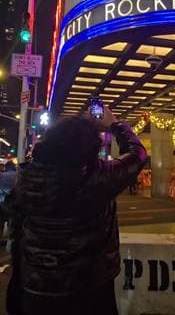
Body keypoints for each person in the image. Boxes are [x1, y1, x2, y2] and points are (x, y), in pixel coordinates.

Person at [10, 108, 147, 315]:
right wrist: (115, 124)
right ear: (91, 147)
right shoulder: (97, 177)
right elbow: (138, 154)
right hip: (89, 286)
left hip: (36, 285)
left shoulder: (27, 177)